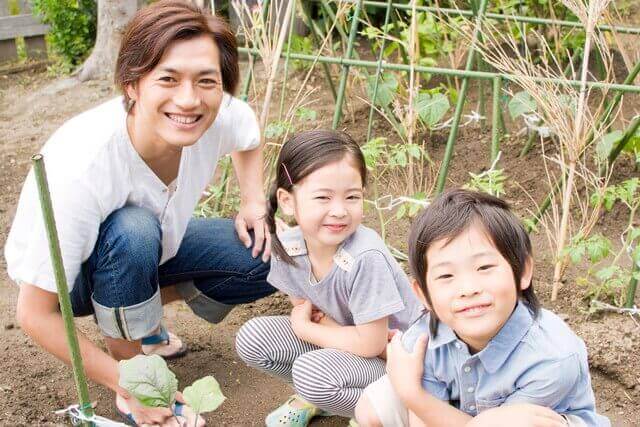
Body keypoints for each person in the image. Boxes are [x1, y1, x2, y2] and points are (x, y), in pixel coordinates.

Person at [5, 1, 275, 425]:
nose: (188, 99)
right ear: (132, 84)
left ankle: (139, 320)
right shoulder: (82, 165)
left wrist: (254, 202)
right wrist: (125, 382)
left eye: (206, 81)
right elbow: (34, 313)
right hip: (70, 281)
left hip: (155, 246)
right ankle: (136, 375)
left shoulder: (216, 112)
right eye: (167, 78)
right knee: (132, 229)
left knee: (265, 255)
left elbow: (248, 132)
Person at [354, 189, 610, 427]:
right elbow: (423, 419)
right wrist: (413, 398)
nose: (468, 288)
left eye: (484, 268)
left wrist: (413, 395)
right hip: (467, 417)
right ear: (424, 295)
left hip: (525, 421)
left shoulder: (553, 358)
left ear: (523, 271)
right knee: (374, 406)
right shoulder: (423, 341)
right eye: (446, 276)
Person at [234, 129, 422, 426]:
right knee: (254, 338)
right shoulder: (291, 247)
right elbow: (309, 310)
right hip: (350, 342)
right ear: (287, 201)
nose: (339, 211)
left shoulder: (364, 256)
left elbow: (371, 344)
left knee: (312, 373)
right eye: (323, 197)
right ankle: (327, 397)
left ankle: (391, 411)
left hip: (403, 363)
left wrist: (307, 330)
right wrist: (322, 327)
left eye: (352, 197)